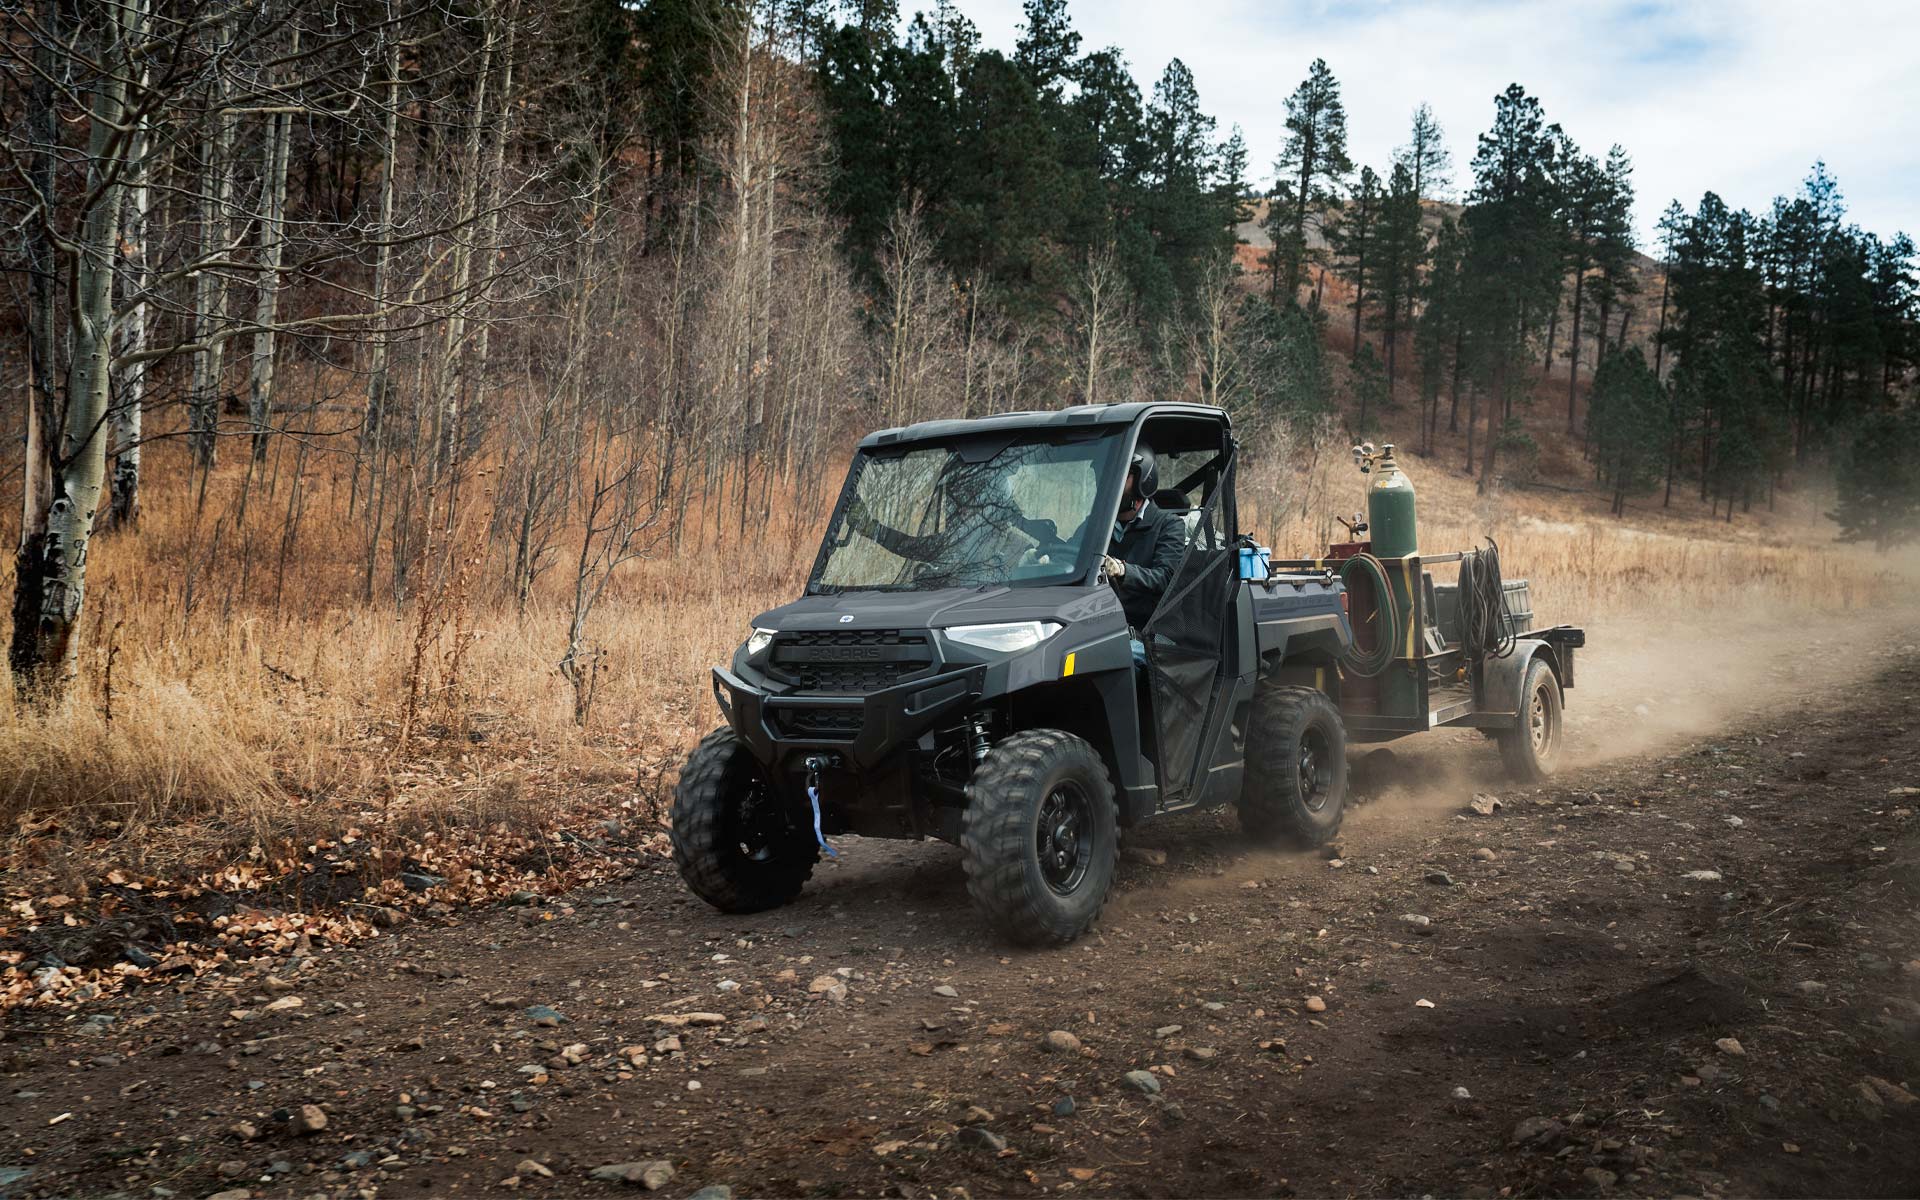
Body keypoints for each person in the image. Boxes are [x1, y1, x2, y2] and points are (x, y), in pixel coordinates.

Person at [1099, 444, 1187, 636]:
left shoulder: (1169, 525)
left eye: (1121, 476)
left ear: (1143, 480)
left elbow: (1166, 578)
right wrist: (1048, 557)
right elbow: (1076, 558)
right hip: (1106, 624)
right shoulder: (1099, 525)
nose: (1111, 484)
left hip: (1153, 632)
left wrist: (1124, 571)